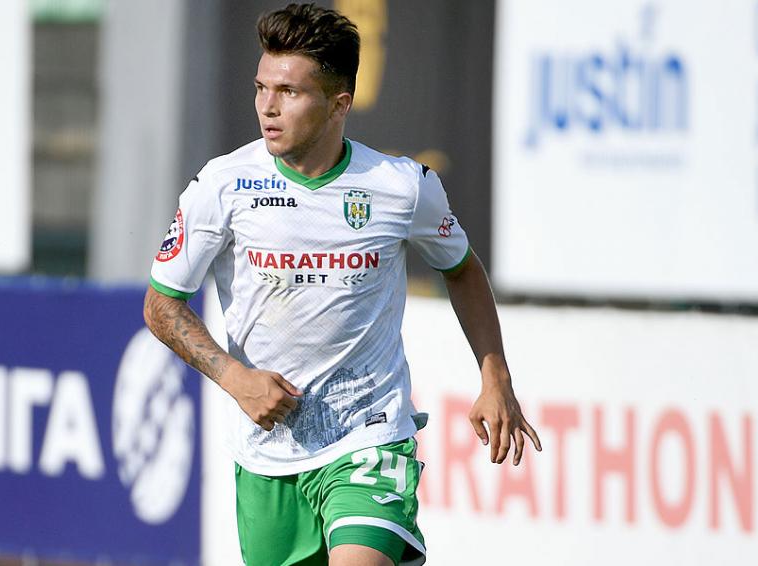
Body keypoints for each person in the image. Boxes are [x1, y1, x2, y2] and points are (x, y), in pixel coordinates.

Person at [143, 4, 540, 565]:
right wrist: (236, 379)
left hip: (369, 439)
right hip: (268, 455)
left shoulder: (402, 187)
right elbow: (162, 305)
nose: (267, 106)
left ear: (339, 104)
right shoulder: (223, 185)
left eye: (288, 91)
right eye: (260, 87)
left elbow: (462, 268)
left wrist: (495, 378)